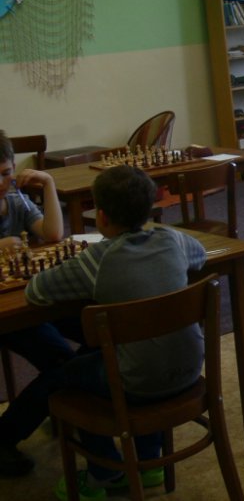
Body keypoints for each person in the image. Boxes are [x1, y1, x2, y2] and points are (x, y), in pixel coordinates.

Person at [3, 165, 207, 499]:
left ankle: (105, 473)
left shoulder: (97, 260)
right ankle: (149, 463)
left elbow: (35, 292)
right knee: (122, 351)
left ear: (101, 216)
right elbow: (199, 257)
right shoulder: (173, 239)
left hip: (137, 383)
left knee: (62, 375)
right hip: (190, 370)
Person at [0, 130, 76, 477]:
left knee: (89, 340)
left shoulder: (15, 200)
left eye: (6, 173)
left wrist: (48, 184)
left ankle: (64, 405)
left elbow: (54, 234)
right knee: (64, 364)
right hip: (8, 313)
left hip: (30, 302)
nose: (2, 182)